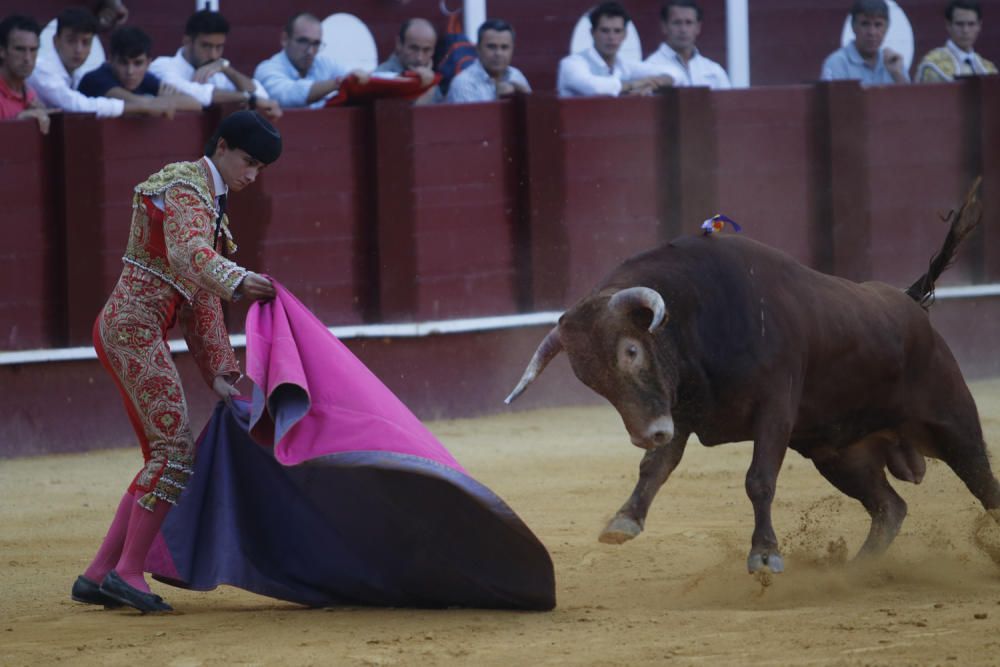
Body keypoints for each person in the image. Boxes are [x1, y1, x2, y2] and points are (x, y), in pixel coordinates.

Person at [70, 110, 281, 613]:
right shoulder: (186, 187)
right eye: (248, 161)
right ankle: (127, 572)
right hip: (132, 330)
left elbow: (200, 301)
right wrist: (237, 278)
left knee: (164, 453)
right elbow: (189, 257)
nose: (252, 175)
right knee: (175, 452)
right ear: (223, 146)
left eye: (260, 168)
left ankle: (98, 573)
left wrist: (223, 375)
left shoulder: (209, 202)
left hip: (136, 332)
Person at [28, 7, 175, 117]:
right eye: (71, 41)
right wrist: (143, 106)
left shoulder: (77, 74)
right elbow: (76, 105)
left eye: (86, 42)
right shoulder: (42, 69)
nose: (78, 49)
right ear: (55, 41)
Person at [149, 9, 281, 119]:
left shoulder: (217, 71)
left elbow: (261, 95)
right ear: (187, 41)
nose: (213, 55)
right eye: (206, 46)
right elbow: (194, 92)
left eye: (219, 47)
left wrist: (227, 70)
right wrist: (247, 98)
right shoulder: (162, 66)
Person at [557, 2, 673, 98]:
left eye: (617, 31)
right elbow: (593, 87)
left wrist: (659, 82)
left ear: (625, 35)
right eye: (605, 31)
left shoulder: (625, 66)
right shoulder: (571, 64)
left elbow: (675, 73)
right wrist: (633, 85)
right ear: (592, 33)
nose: (611, 37)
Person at [255, 12, 366, 109]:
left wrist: (357, 76)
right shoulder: (267, 69)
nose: (310, 51)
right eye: (303, 41)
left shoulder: (324, 63)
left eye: (316, 44)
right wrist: (339, 82)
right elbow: (289, 96)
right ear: (285, 39)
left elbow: (354, 78)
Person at [79, 26, 201, 111]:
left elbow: (195, 103)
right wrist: (163, 101)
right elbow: (139, 103)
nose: (130, 72)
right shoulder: (96, 79)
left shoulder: (145, 78)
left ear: (148, 63)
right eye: (123, 63)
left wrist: (160, 102)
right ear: (110, 60)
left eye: (138, 63)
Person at [643, 0, 731, 89]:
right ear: (664, 27)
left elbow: (728, 102)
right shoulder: (651, 67)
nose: (683, 30)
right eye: (677, 23)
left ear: (698, 27)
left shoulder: (714, 71)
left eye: (689, 23)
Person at [820, 0, 909, 85]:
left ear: (886, 28)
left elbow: (911, 100)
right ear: (853, 26)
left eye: (878, 25)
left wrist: (897, 75)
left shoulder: (893, 62)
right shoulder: (837, 64)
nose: (872, 32)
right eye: (865, 24)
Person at [446, 18, 530, 103]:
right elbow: (473, 117)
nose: (498, 53)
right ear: (478, 49)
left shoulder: (517, 76)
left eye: (504, 47)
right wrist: (501, 100)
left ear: (512, 50)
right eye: (491, 47)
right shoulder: (463, 84)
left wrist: (527, 98)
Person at [915, 0, 997, 82]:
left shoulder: (988, 69)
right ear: (948, 25)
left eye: (971, 24)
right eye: (960, 24)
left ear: (979, 26)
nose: (965, 30)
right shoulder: (932, 65)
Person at [0, 14, 50, 133]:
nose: (27, 58)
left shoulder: (31, 95)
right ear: (1, 50)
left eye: (33, 50)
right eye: (20, 49)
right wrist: (16, 125)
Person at [374, 18, 440, 104]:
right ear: (399, 44)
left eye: (426, 50)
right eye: (413, 48)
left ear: (433, 51)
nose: (419, 58)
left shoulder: (433, 78)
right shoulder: (382, 77)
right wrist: (427, 88)